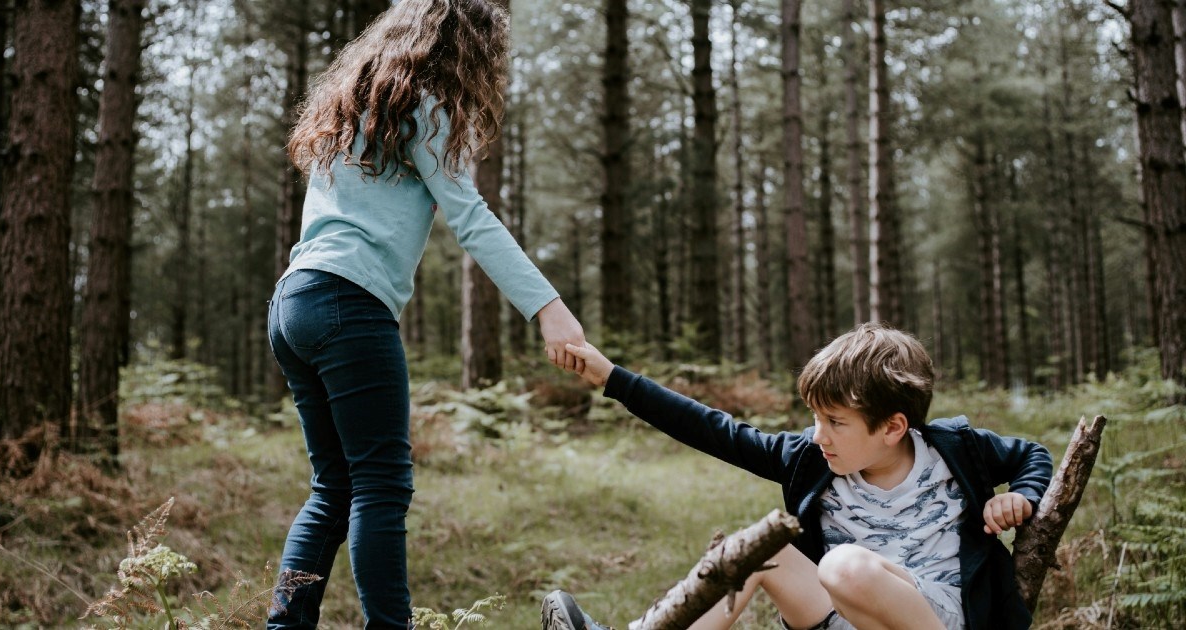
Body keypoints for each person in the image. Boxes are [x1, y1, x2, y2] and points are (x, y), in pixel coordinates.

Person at [265, 1, 585, 627]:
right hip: (347, 305)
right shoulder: (427, 105)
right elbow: (470, 218)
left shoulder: (355, 102)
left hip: (292, 302)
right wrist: (548, 307)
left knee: (333, 489)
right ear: (464, 48)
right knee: (382, 487)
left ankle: (285, 625)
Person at [541, 322, 1052, 630]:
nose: (818, 435)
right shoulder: (811, 458)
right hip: (837, 619)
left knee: (845, 566)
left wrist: (1019, 498)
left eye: (835, 422)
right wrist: (611, 377)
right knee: (757, 549)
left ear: (893, 426)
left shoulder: (954, 450)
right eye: (814, 418)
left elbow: (1034, 455)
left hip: (933, 618)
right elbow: (712, 429)